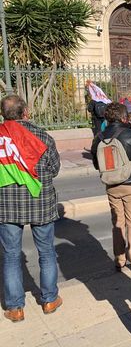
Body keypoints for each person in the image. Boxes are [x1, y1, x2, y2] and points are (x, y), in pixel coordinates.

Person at [0, 95, 62, 322]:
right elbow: (55, 169)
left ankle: (15, 308)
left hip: (6, 207)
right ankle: (49, 299)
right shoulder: (42, 136)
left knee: (10, 255)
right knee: (46, 252)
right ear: (25, 112)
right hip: (40, 204)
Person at [91, 103, 131, 272]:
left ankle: (119, 259)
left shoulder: (99, 137)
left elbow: (97, 164)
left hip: (111, 185)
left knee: (117, 222)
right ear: (124, 117)